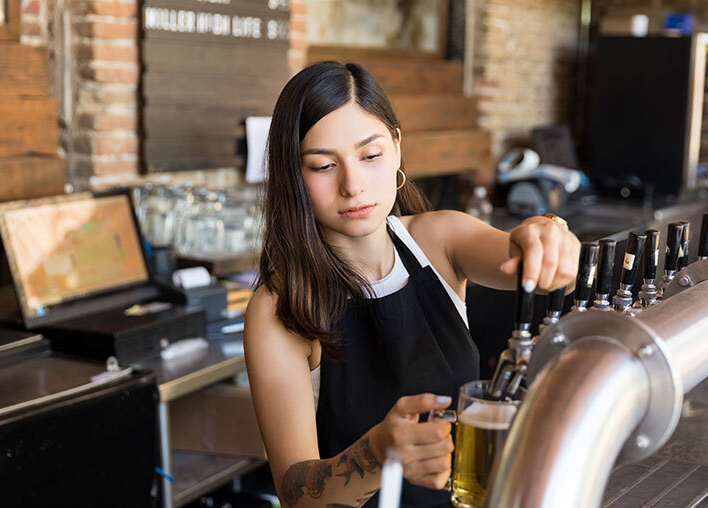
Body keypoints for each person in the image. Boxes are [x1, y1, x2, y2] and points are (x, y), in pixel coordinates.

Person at [245, 61, 580, 508]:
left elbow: (527, 259)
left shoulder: (439, 240)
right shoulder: (280, 308)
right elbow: (295, 494)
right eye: (323, 165)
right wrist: (376, 454)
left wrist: (548, 231)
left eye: (370, 156)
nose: (353, 185)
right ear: (293, 176)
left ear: (397, 149)